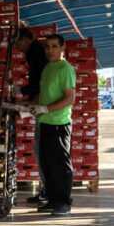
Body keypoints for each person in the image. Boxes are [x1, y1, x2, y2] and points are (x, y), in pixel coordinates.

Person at [28, 34, 76, 216]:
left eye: (54, 46)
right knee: (47, 164)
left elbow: (70, 98)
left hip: (59, 124)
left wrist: (46, 109)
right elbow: (43, 93)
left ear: (62, 48)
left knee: (61, 165)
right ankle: (53, 200)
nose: (50, 50)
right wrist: (30, 105)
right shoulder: (48, 67)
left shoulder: (65, 69)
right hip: (44, 123)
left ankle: (64, 202)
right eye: (47, 47)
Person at [13, 28, 50, 204]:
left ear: (28, 39)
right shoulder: (32, 54)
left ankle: (49, 191)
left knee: (42, 150)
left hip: (47, 112)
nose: (16, 46)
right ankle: (47, 189)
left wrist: (30, 99)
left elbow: (40, 81)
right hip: (40, 107)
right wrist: (28, 99)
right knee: (39, 149)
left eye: (18, 42)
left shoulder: (38, 53)